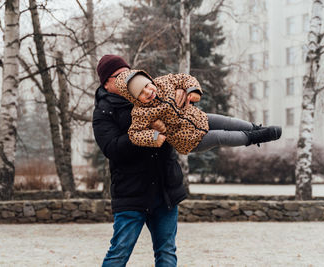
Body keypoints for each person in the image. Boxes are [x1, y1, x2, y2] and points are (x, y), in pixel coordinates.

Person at [93, 55, 187, 266]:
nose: (126, 78)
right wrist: (146, 133)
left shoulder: (150, 92)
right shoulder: (103, 112)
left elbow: (179, 87)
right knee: (119, 253)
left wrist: (184, 92)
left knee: (167, 252)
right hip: (131, 193)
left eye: (128, 72)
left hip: (165, 190)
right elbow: (112, 148)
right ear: (106, 83)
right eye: (119, 76)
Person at [113, 69, 282, 154]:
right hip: (188, 140)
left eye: (147, 86)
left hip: (198, 118)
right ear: (135, 99)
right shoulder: (141, 113)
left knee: (227, 121)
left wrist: (192, 90)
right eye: (141, 93)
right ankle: (256, 137)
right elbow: (134, 133)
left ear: (150, 80)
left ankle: (257, 128)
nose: (148, 92)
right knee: (219, 136)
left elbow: (184, 78)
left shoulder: (163, 82)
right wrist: (154, 137)